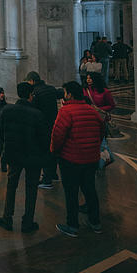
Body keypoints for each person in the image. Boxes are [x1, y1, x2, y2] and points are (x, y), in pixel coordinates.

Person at [51, 80, 104, 236]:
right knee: (90, 190)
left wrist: (55, 151)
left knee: (71, 193)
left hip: (71, 159)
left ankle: (72, 225)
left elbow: (58, 135)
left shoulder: (66, 112)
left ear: (70, 94)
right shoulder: (92, 110)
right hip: (91, 158)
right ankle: (95, 223)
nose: (64, 95)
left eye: (65, 92)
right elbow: (101, 132)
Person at [0, 82, 47, 234]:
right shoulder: (37, 114)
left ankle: (7, 218)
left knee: (11, 186)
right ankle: (27, 222)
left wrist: (6, 146)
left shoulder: (7, 110)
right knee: (31, 188)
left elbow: (0, 132)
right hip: (33, 157)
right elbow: (44, 138)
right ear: (31, 95)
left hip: (14, 154)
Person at [25, 71, 61, 189]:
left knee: (45, 152)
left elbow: (33, 111)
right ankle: (53, 174)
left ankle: (47, 179)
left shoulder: (35, 93)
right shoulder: (50, 88)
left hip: (43, 126)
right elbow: (60, 94)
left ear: (32, 81)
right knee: (52, 150)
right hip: (54, 123)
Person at [84, 72, 116, 167]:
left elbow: (112, 105)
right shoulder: (85, 90)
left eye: (90, 78)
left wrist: (100, 109)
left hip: (101, 120)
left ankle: (102, 161)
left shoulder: (105, 92)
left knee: (101, 142)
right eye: (87, 78)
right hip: (89, 119)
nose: (88, 80)